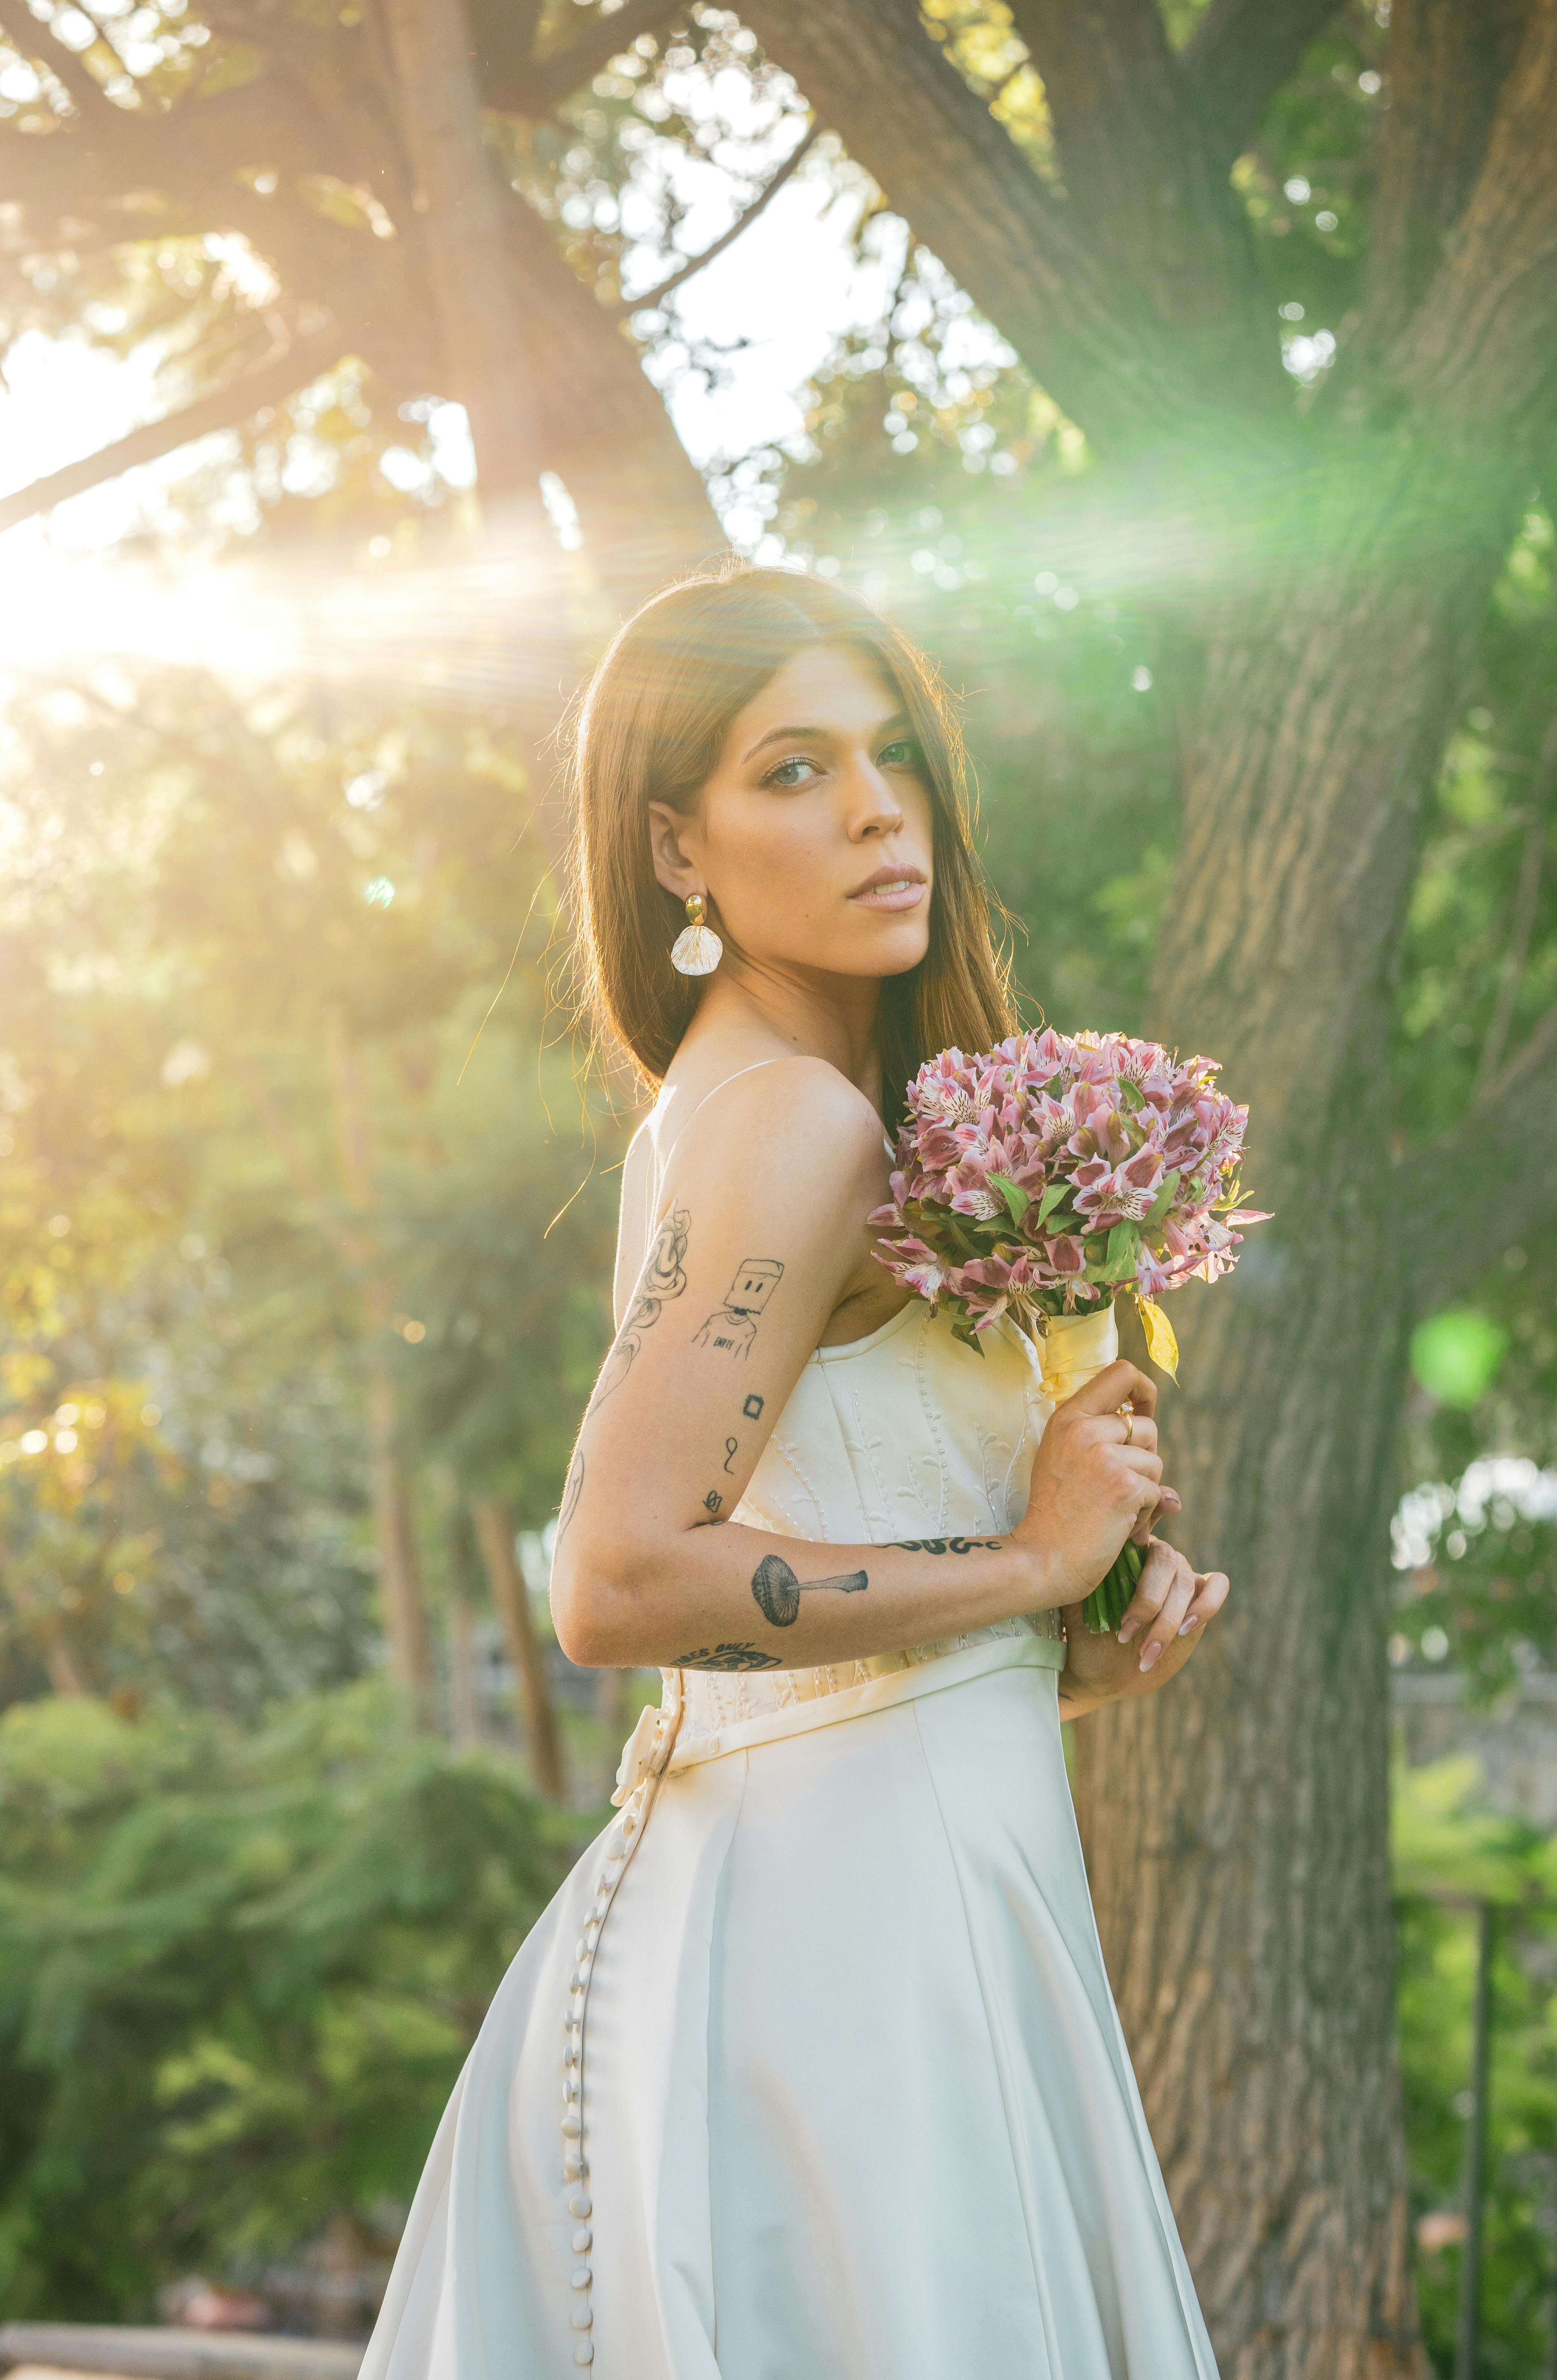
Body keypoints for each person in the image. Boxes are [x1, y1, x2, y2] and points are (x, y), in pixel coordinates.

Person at [362, 565, 1227, 2379]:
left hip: (904, 1884)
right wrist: (1021, 1569)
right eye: (794, 770)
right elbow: (616, 1581)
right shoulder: (795, 1121)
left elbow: (821, 1593)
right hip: (851, 1964)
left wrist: (1057, 1656)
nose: (875, 808)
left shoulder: (760, 1098)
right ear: (676, 846)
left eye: (893, 754)